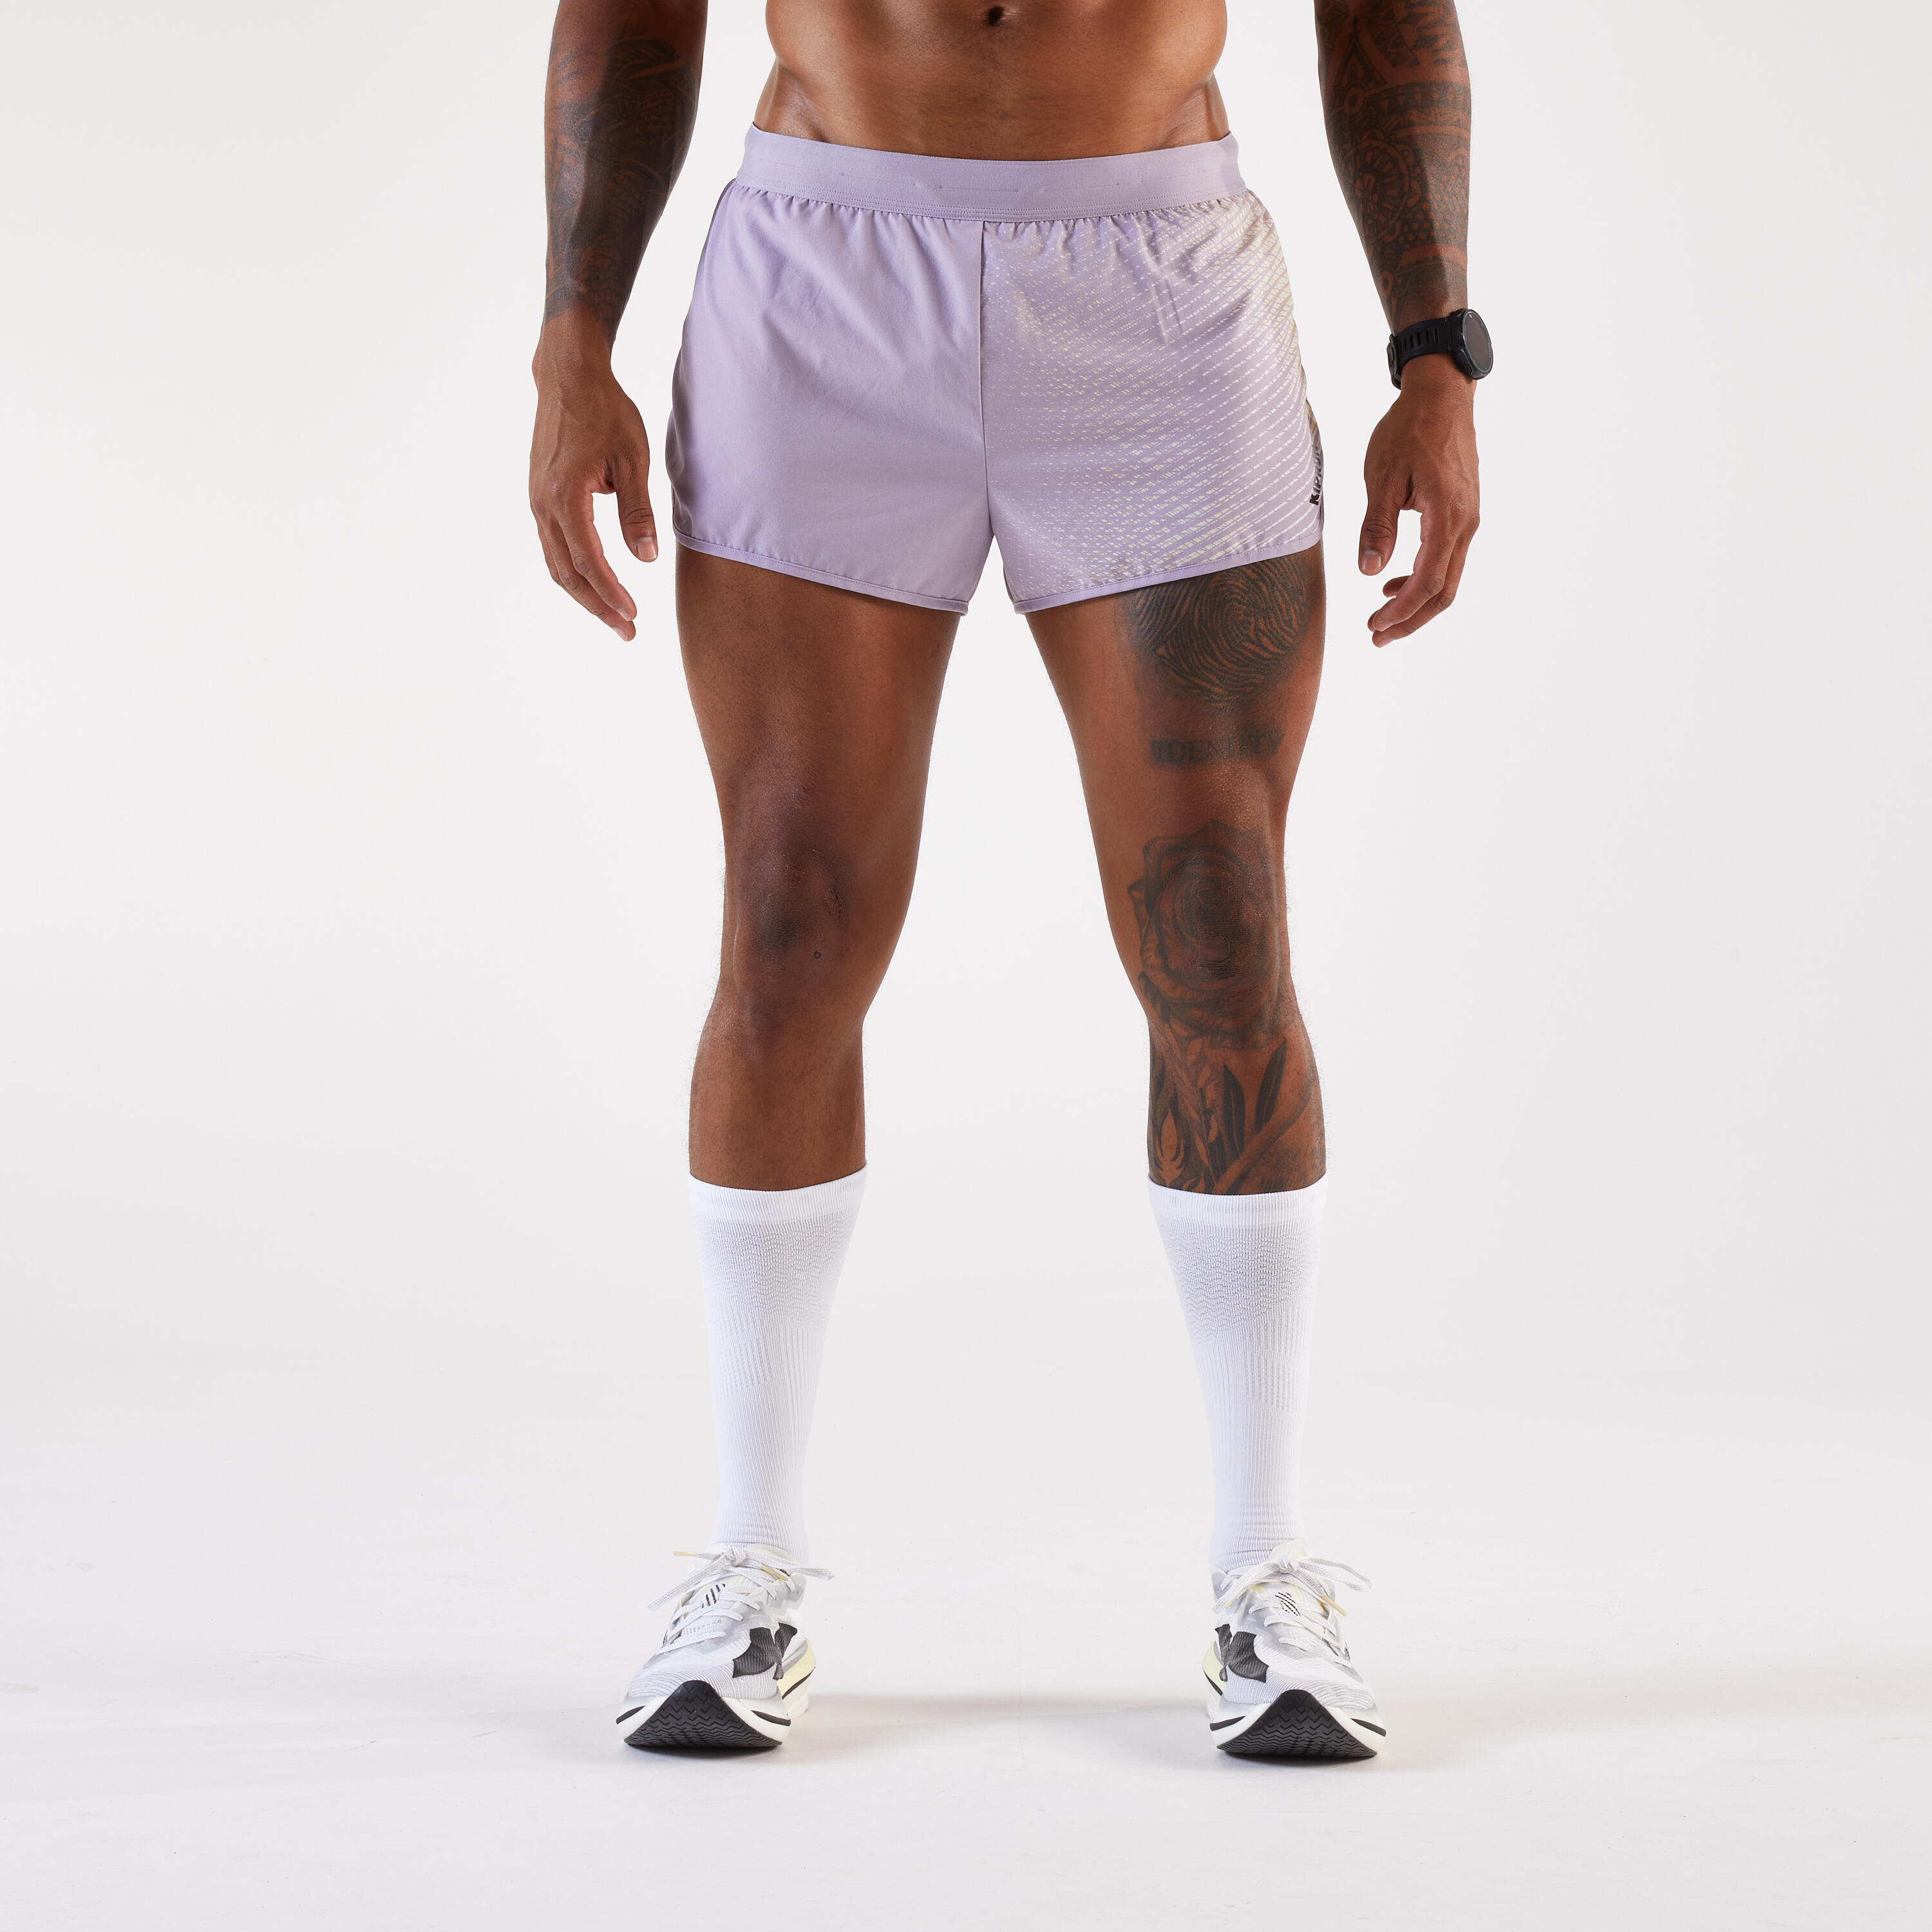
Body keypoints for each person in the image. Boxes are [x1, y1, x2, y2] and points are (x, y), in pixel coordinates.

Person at [529, 0, 1484, 1759]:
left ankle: (1265, 1571)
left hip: (1155, 290)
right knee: (790, 921)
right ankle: (750, 1565)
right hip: (823, 276)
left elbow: (1383, 12)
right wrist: (572, 338)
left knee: (1217, 922)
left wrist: (1437, 354)